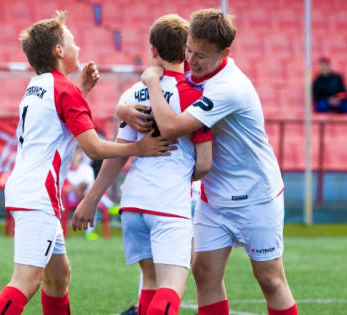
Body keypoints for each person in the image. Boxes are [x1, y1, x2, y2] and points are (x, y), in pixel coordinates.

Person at [0, 11, 176, 315]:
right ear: (59, 51)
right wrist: (139, 147)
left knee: (58, 277)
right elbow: (93, 149)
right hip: (39, 195)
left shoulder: (38, 85)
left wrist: (83, 91)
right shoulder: (64, 90)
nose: (77, 46)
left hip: (26, 188)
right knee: (27, 281)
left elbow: (56, 124)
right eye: (71, 41)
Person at [117, 8, 299, 315]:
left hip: (255, 196)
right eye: (189, 50)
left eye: (201, 55)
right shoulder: (192, 70)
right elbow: (144, 98)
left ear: (224, 52)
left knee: (269, 279)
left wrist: (150, 83)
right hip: (212, 196)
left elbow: (172, 126)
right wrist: (123, 109)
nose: (192, 60)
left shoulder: (229, 88)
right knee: (204, 273)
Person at [72, 14, 213, 315]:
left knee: (149, 282)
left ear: (152, 50)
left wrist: (91, 198)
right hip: (168, 202)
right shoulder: (196, 95)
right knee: (171, 287)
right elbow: (205, 162)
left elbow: (119, 153)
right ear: (187, 51)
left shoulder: (132, 93)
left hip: (133, 201)